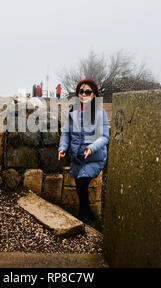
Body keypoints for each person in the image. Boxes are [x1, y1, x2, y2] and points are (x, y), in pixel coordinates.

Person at [57, 78, 109, 223]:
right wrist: (63, 148)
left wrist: (91, 148)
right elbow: (66, 133)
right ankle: (89, 215)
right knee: (80, 186)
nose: (84, 94)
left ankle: (82, 217)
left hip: (94, 157)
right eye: (81, 91)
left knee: (81, 183)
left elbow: (104, 137)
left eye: (88, 92)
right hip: (78, 158)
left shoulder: (100, 112)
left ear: (94, 95)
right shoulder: (72, 111)